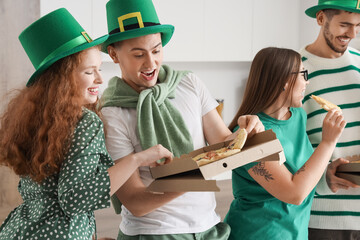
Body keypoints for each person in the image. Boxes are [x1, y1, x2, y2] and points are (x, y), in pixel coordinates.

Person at [0, 8, 173, 240]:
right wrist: (138, 158)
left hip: (21, 231)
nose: (100, 79)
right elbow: (74, 199)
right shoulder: (85, 121)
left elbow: (48, 194)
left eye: (98, 70)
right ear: (64, 77)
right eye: (89, 72)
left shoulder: (32, 118)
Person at [99, 0, 263, 239]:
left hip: (207, 227)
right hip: (153, 233)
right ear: (114, 54)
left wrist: (246, 131)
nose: (150, 63)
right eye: (138, 54)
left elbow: (224, 142)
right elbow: (135, 201)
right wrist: (194, 178)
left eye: (156, 50)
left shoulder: (189, 83)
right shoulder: (112, 113)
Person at [224, 47, 346, 240]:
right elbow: (294, 193)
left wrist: (328, 176)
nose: (307, 81)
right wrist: (328, 142)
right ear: (284, 80)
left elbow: (300, 173)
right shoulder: (250, 135)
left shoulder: (298, 116)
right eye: (303, 74)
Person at [300, 1, 360, 239]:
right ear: (321, 18)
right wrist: (323, 179)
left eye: (357, 26)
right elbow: (283, 145)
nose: (352, 34)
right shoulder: (295, 70)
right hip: (323, 217)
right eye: (345, 25)